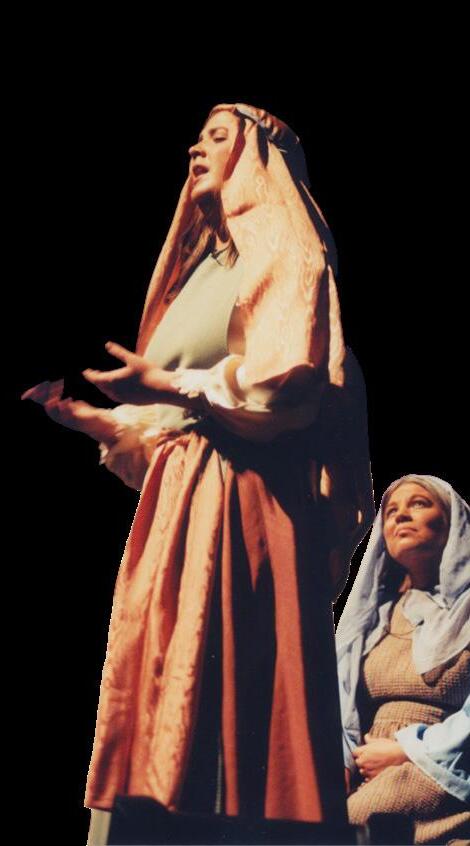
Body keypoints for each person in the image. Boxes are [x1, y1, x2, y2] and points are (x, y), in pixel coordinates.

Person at [22, 103, 374, 841]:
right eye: (198, 136)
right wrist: (102, 422)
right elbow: (176, 424)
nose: (196, 147)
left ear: (260, 158)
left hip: (244, 499)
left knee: (225, 698)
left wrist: (169, 386)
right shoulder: (203, 271)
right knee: (159, 685)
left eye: (218, 137)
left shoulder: (286, 247)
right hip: (181, 496)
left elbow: (287, 385)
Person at [336, 474, 470, 844]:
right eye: (391, 510)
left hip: (444, 768)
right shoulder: (375, 619)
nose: (401, 516)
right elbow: (344, 705)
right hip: (369, 768)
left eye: (419, 504)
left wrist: (408, 751)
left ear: (453, 522)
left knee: (350, 826)